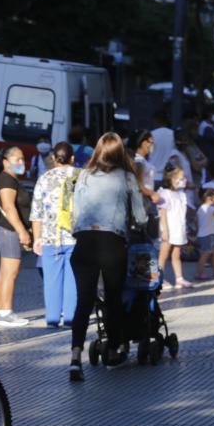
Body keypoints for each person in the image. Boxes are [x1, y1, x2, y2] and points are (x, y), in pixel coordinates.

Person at [67, 132, 147, 382]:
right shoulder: (127, 177)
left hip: (84, 244)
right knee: (113, 299)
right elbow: (141, 216)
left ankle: (75, 358)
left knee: (84, 301)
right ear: (120, 153)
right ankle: (114, 349)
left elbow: (75, 213)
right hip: (112, 243)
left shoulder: (84, 176)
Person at [30, 142, 77, 327]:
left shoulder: (44, 179)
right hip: (75, 238)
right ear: (72, 158)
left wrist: (37, 238)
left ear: (53, 158)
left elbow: (37, 212)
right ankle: (71, 318)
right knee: (72, 280)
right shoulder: (81, 177)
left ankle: (52, 318)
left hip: (50, 237)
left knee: (51, 280)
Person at [0, 147, 33, 327]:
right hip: (9, 232)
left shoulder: (10, 179)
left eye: (22, 158)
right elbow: (9, 208)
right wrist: (22, 231)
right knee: (10, 273)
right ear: (6, 162)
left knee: (4, 272)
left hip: (6, 231)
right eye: (17, 159)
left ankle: (0, 310)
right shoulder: (7, 179)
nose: (21, 162)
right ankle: (5, 312)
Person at [158, 164, 192, 290]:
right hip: (169, 229)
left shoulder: (181, 194)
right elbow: (163, 213)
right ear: (171, 179)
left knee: (177, 255)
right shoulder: (165, 194)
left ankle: (179, 278)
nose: (184, 180)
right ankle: (159, 279)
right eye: (181, 177)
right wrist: (165, 231)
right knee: (163, 255)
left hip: (179, 228)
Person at [196, 188, 214, 280]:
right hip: (207, 236)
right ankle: (200, 273)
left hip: (207, 235)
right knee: (206, 255)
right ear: (209, 198)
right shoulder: (211, 209)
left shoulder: (201, 208)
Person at [149, 112, 175, 187]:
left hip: (153, 175)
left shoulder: (151, 134)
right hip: (168, 176)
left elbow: (149, 154)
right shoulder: (173, 134)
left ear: (156, 120)